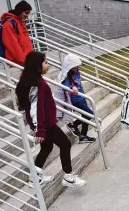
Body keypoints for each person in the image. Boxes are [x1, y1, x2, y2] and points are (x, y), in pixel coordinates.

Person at [15, 52, 87, 187]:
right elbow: (36, 108)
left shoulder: (36, 82)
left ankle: (34, 178)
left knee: (46, 147)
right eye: (46, 62)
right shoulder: (38, 84)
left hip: (45, 123)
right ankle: (68, 177)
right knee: (65, 144)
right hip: (46, 125)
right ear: (37, 66)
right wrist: (40, 130)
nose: (48, 65)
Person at [59, 54, 96, 144]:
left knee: (85, 116)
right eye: (75, 66)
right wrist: (72, 87)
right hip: (75, 99)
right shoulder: (66, 76)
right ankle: (75, 126)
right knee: (89, 114)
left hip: (81, 97)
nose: (77, 67)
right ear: (70, 67)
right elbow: (64, 85)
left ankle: (82, 135)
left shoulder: (76, 73)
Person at [1, 1, 34, 66]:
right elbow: (12, 45)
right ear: (20, 11)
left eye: (28, 13)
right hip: (18, 62)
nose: (27, 16)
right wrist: (24, 61)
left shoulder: (19, 22)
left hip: (25, 60)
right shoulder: (9, 24)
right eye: (26, 13)